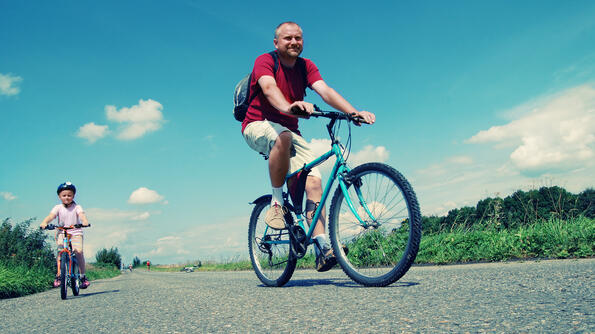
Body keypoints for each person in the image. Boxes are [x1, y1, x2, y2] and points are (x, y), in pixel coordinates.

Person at [242, 22, 376, 272]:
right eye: (287, 38)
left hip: (289, 131)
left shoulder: (306, 66)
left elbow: (324, 91)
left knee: (315, 179)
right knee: (283, 138)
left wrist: (353, 112)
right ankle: (276, 201)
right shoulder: (265, 61)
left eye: (298, 38)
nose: (294, 42)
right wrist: (289, 107)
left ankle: (322, 248)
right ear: (276, 43)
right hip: (257, 124)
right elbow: (269, 88)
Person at [40, 182, 91, 288]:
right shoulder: (57, 207)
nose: (67, 197)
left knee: (79, 252)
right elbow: (51, 216)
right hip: (62, 232)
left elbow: (82, 216)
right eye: (64, 195)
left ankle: (82, 277)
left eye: (69, 195)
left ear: (73, 196)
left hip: (75, 232)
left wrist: (84, 221)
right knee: (60, 252)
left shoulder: (77, 207)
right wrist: (45, 222)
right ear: (59, 196)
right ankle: (59, 275)